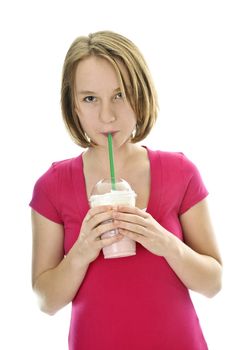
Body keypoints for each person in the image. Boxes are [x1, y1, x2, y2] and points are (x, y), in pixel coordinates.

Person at [30, 31, 222, 350]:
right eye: (90, 98)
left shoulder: (180, 173)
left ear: (140, 94)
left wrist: (165, 243)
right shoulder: (52, 186)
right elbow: (46, 301)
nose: (107, 115)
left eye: (120, 95)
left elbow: (213, 283)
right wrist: (81, 252)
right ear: (73, 105)